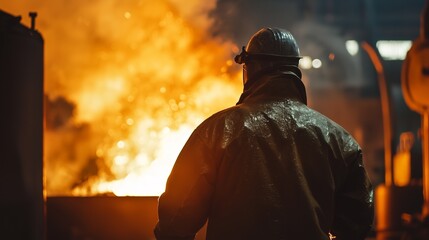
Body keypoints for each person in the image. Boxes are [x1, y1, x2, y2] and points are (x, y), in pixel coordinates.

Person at [154, 27, 374, 240]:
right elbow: (357, 220)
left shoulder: (216, 131)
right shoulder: (337, 139)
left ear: (249, 69)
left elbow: (176, 219)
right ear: (295, 71)